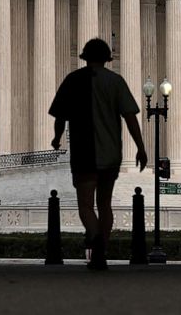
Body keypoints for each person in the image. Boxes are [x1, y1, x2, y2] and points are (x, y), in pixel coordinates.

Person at [49, 38, 148, 270]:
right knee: (105, 204)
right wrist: (141, 147)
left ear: (84, 57)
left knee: (85, 205)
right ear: (106, 58)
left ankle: (94, 238)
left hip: (83, 152)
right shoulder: (115, 81)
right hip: (111, 152)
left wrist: (56, 138)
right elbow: (130, 117)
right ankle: (100, 251)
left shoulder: (73, 80)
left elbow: (60, 117)